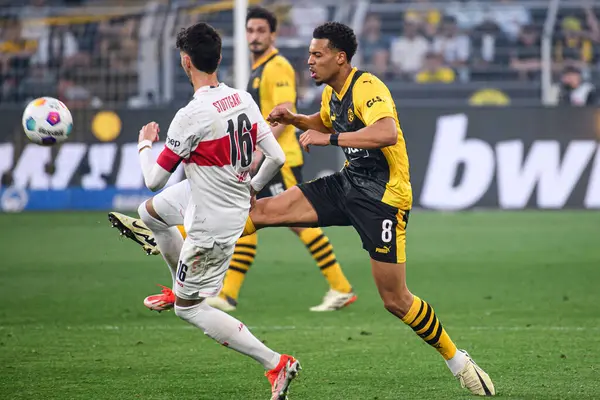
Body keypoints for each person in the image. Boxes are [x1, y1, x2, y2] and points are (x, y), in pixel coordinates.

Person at [243, 21, 495, 396]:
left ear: (340, 57)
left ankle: (457, 359)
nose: (309, 61)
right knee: (260, 212)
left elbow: (386, 132)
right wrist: (297, 120)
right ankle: (178, 241)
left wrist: (328, 138)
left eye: (317, 54)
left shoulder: (368, 86)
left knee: (395, 300)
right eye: (309, 54)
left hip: (383, 200)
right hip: (346, 184)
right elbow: (325, 120)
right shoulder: (332, 92)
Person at [108, 6, 357, 313]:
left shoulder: (276, 66)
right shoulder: (258, 68)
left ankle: (341, 287)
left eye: (261, 31)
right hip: (263, 158)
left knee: (294, 222)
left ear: (273, 35)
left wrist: (256, 153)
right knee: (246, 220)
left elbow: (284, 111)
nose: (254, 36)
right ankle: (227, 293)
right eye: (250, 30)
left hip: (282, 159)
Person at [133, 22, 299, 399]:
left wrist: (144, 145)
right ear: (219, 58)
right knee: (151, 214)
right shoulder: (242, 98)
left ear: (185, 62)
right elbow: (273, 156)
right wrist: (252, 189)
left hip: (213, 223)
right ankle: (180, 286)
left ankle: (275, 362)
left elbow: (154, 178)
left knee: (190, 311)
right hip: (213, 194)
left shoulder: (190, 115)